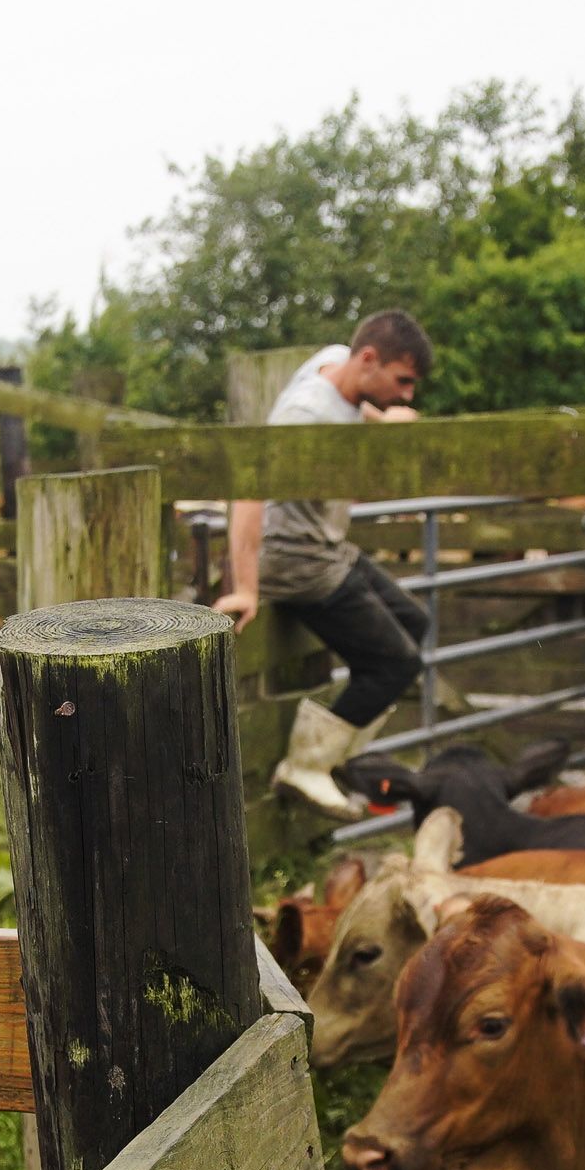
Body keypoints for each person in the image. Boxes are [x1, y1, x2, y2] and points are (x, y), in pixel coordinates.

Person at [211, 310, 432, 814]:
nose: (407, 395)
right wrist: (247, 587)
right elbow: (249, 493)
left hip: (328, 545)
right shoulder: (304, 420)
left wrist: (384, 418)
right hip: (296, 558)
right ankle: (306, 767)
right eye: (402, 382)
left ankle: (336, 758)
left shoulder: (335, 359)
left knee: (416, 622)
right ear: (370, 360)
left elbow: (353, 405)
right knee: (396, 664)